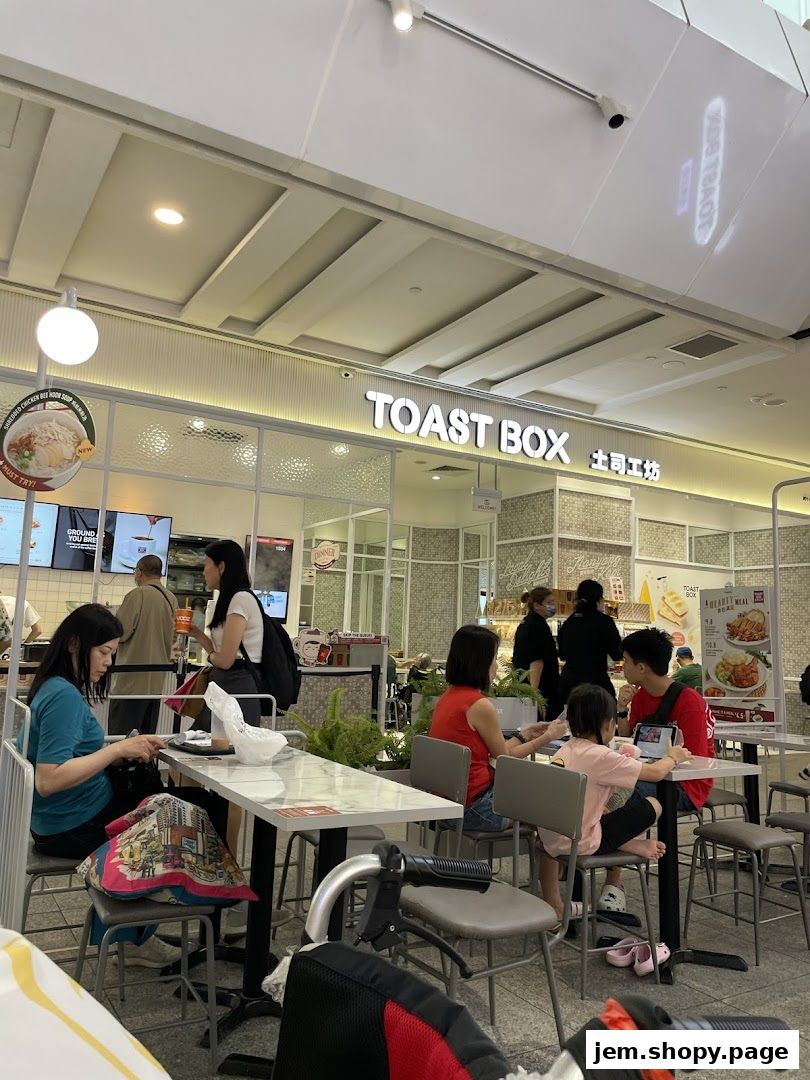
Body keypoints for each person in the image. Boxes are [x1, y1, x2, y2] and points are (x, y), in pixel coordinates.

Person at [15, 604, 178, 967]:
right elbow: (49, 778)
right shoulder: (63, 697)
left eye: (112, 653)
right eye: (103, 652)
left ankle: (135, 930)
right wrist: (117, 749)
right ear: (75, 645)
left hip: (59, 820)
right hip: (72, 825)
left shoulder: (52, 688)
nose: (108, 662)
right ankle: (134, 935)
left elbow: (68, 758)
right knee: (181, 820)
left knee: (170, 807)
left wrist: (119, 753)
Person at [537, 684, 691, 920]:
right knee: (653, 804)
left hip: (550, 836)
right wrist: (673, 756)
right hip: (582, 841)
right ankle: (629, 843)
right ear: (608, 725)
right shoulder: (602, 756)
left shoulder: (567, 749)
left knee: (613, 805)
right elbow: (656, 774)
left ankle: (554, 905)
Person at [429, 625, 567, 831]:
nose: (496, 666)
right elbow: (505, 761)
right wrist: (546, 738)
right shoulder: (480, 705)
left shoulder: (449, 698)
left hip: (450, 801)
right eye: (494, 659)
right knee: (553, 810)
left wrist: (525, 735)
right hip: (478, 808)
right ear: (481, 662)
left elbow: (500, 752)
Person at [186, 540, 264, 728]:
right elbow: (221, 654)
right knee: (209, 746)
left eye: (206, 565)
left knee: (223, 748)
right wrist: (196, 634)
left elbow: (226, 660)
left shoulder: (240, 599)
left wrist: (213, 657)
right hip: (225, 686)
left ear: (221, 567)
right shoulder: (229, 600)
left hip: (237, 689)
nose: (203, 572)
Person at [107, 555, 177, 735]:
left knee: (120, 740)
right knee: (146, 740)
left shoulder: (137, 595)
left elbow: (119, 633)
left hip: (131, 681)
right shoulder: (170, 598)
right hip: (155, 682)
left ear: (138, 572)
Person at [557, 579, 623, 704]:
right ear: (599, 599)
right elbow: (617, 654)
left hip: (568, 686)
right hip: (595, 686)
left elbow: (562, 655)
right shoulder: (604, 621)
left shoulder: (569, 622)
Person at [512, 586, 561, 720]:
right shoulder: (539, 626)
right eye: (549, 602)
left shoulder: (525, 622)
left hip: (522, 686)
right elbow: (537, 661)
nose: (553, 606)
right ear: (537, 605)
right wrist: (535, 695)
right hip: (542, 690)